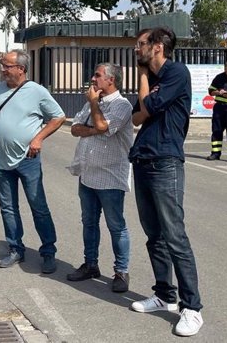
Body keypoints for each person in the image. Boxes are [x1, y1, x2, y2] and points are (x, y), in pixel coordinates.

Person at [128, 27, 204, 337]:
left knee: (175, 236)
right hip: (143, 160)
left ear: (158, 47)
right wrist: (146, 86)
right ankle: (164, 295)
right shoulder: (154, 80)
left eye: (141, 44)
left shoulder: (176, 73)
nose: (136, 49)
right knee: (153, 235)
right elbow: (136, 117)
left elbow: (151, 108)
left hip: (166, 162)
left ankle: (192, 308)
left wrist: (144, 77)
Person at [0, 49, 65, 274]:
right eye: (3, 65)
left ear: (21, 69)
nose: (2, 69)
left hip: (27, 159)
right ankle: (15, 248)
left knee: (38, 206)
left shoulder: (37, 91)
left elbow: (58, 117)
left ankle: (48, 251)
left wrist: (38, 138)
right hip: (1, 160)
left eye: (6, 66)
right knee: (8, 207)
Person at [66, 63, 133, 292]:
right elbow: (75, 127)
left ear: (111, 80)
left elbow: (105, 125)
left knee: (116, 225)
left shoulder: (122, 106)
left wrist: (95, 108)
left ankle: (121, 271)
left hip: (110, 177)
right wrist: (94, 128)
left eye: (97, 76)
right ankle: (91, 264)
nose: (92, 79)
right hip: (87, 174)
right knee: (89, 223)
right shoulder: (92, 103)